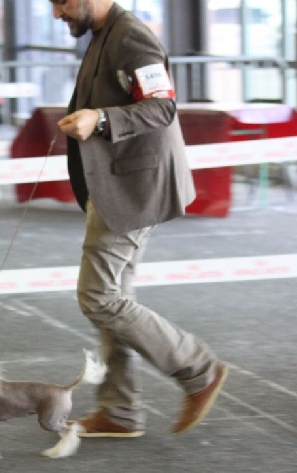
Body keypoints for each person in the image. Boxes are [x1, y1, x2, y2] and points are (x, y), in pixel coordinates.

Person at [49, 0, 229, 438]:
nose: (58, 14)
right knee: (113, 298)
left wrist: (100, 118)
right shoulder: (100, 35)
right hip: (115, 185)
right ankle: (119, 410)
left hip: (131, 190)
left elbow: (162, 108)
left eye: (63, 2)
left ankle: (197, 369)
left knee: (99, 299)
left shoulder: (131, 35)